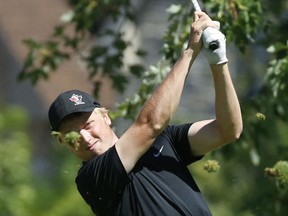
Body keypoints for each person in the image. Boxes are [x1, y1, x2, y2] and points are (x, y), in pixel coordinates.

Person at [48, 11, 242, 216]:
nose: (85, 138)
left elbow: (228, 130)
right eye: (72, 135)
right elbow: (151, 124)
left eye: (87, 125)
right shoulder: (91, 179)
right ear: (62, 142)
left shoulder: (164, 140)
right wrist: (190, 51)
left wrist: (218, 61)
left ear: (105, 116)